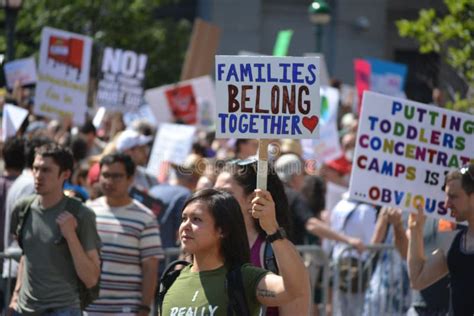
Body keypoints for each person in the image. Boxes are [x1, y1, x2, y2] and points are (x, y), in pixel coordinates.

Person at [162, 188, 308, 315]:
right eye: (184, 218)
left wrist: (273, 230)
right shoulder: (171, 280)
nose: (185, 226)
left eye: (196, 219)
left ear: (222, 230)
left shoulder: (244, 278)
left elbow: (292, 289)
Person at [8, 144, 101, 315]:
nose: (38, 176)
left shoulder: (81, 215)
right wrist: (14, 298)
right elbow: (27, 255)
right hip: (25, 309)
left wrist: (71, 236)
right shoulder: (23, 209)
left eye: (46, 170)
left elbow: (91, 278)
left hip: (63, 310)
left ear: (65, 174)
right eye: (35, 168)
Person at [215, 158, 309, 316]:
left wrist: (272, 229)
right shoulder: (206, 243)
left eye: (225, 193)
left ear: (252, 199)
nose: (214, 201)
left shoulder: (276, 253)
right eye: (213, 192)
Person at [85, 153, 163, 315]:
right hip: (89, 308)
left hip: (127, 309)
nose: (109, 181)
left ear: (130, 179)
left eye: (117, 176)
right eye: (105, 175)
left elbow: (150, 267)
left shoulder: (146, 218)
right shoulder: (87, 211)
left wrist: (144, 307)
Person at [408, 164, 474, 315]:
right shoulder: (456, 242)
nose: (446, 204)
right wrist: (416, 230)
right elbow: (418, 279)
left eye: (454, 197)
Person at [274, 153, 364, 250]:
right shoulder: (295, 197)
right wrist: (348, 240)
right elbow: (312, 225)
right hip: (286, 257)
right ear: (295, 175)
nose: (304, 179)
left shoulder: (271, 193)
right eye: (303, 174)